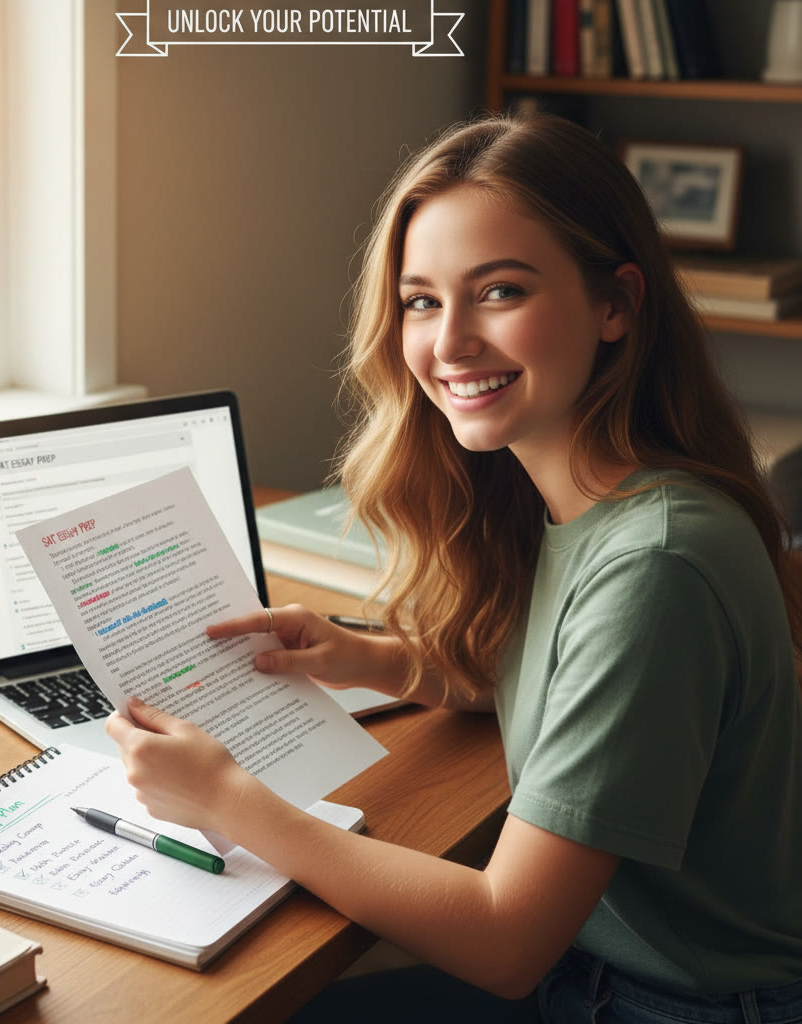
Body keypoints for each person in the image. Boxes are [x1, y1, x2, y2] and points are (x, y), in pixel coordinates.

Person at [106, 113, 802, 1022]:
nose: (450, 343)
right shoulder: (593, 502)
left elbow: (505, 939)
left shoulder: (657, 567)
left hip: (669, 1003)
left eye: (500, 291)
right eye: (422, 301)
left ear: (616, 304)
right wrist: (374, 658)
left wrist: (231, 803)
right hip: (603, 969)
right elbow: (560, 675)